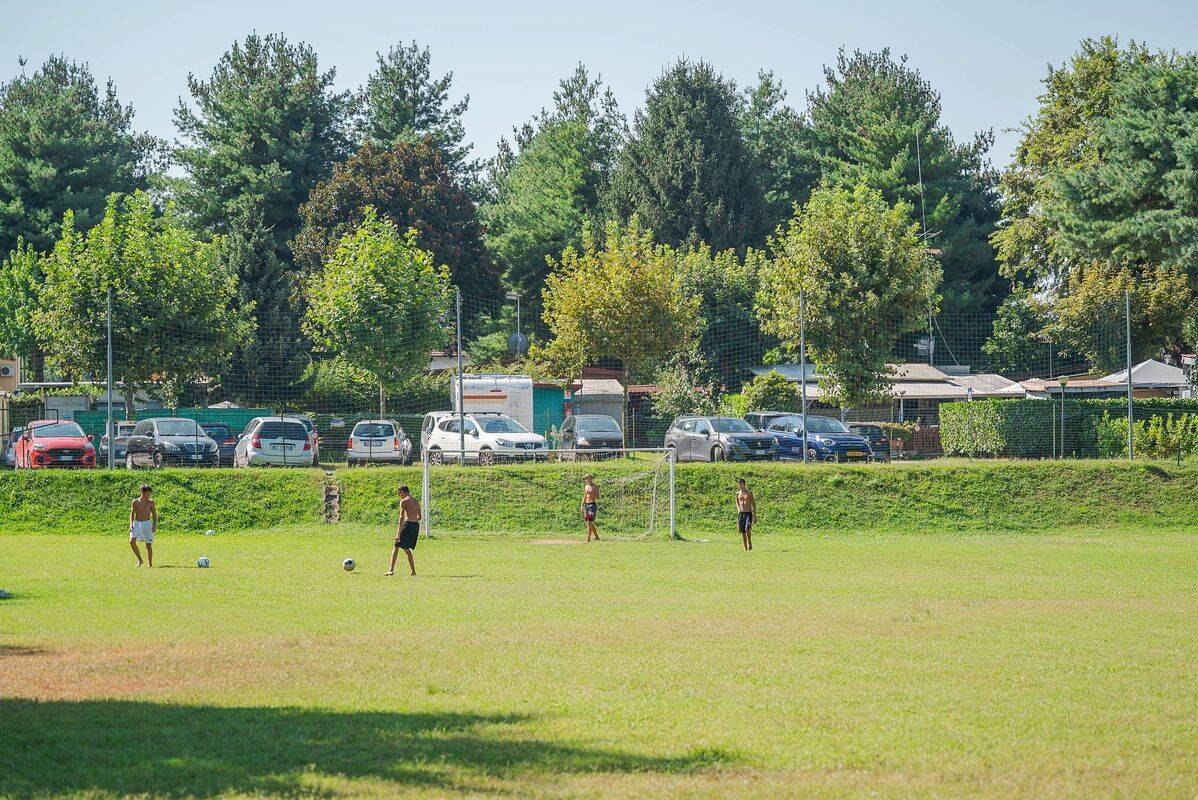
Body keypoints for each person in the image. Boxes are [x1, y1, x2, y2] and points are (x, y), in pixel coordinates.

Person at [386, 485, 422, 576]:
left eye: (399, 493)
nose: (399, 495)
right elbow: (419, 517)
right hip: (415, 526)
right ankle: (413, 571)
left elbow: (401, 517)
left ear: (402, 492)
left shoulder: (403, 501)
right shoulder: (416, 501)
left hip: (408, 525)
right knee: (406, 548)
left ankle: (391, 570)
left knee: (396, 546)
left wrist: (398, 533)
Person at [129, 484, 157, 567]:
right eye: (148, 493)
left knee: (148, 545)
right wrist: (131, 524)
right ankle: (140, 560)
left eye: (150, 494)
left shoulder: (151, 502)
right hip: (136, 523)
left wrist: (154, 524)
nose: (149, 495)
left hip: (147, 523)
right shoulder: (135, 502)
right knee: (132, 542)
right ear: (142, 492)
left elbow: (154, 514)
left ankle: (150, 564)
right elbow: (132, 513)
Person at [735, 478, 756, 551]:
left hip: (748, 513)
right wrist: (738, 509)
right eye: (738, 484)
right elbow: (737, 502)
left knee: (747, 529)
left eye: (741, 484)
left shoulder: (749, 492)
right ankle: (745, 548)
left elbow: (753, 503)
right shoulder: (737, 493)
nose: (739, 485)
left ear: (744, 484)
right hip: (741, 514)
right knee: (743, 531)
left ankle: (749, 541)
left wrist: (755, 515)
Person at [581, 474, 599, 542]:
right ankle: (597, 537)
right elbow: (585, 496)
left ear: (591, 479)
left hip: (592, 505)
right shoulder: (586, 487)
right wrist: (582, 505)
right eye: (586, 478)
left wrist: (591, 494)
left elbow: (598, 497)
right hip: (587, 505)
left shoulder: (594, 487)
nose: (588, 479)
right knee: (589, 522)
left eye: (589, 478)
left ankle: (588, 538)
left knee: (589, 522)